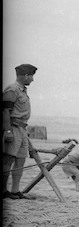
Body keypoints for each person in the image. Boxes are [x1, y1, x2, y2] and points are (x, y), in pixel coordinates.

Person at [2, 64, 39, 199]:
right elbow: (5, 111)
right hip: (13, 128)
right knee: (8, 160)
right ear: (26, 76)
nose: (33, 80)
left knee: (20, 160)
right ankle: (3, 191)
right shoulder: (12, 90)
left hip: (22, 129)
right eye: (32, 76)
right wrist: (8, 131)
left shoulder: (22, 90)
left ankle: (15, 191)